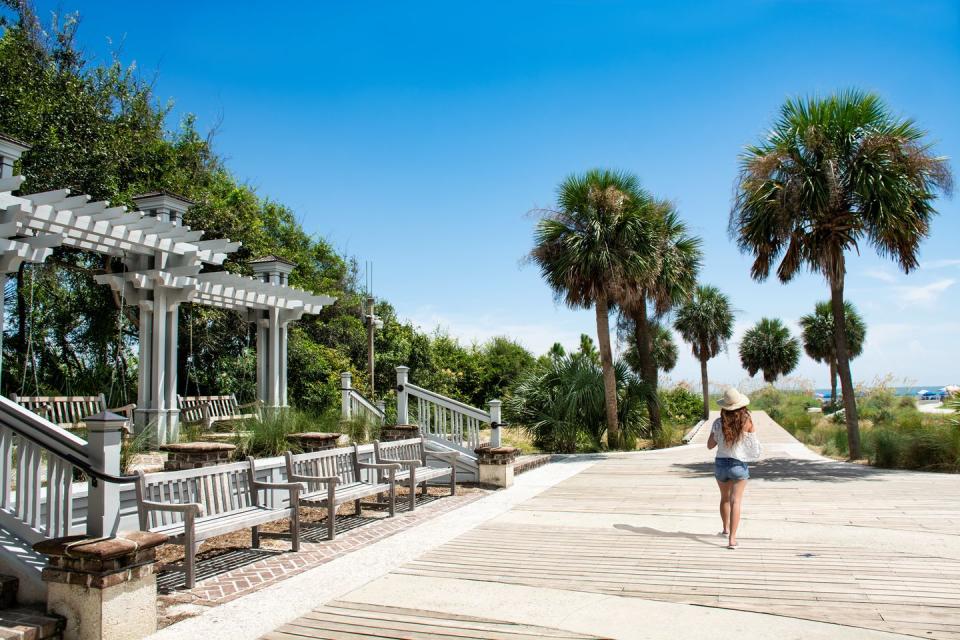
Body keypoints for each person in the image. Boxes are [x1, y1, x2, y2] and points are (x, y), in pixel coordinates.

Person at [707, 388, 757, 550]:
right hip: (738, 465)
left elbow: (710, 446)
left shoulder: (717, 422)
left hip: (721, 464)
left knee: (725, 498)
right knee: (736, 501)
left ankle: (725, 528)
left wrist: (719, 437)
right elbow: (754, 446)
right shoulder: (747, 420)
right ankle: (732, 539)